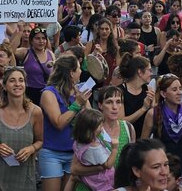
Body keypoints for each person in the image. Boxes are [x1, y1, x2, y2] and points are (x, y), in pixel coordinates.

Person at [0, 68, 43, 191]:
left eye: (21, 80)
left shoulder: (36, 112)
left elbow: (40, 141)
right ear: (4, 85)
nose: (17, 84)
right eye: (12, 81)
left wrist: (31, 149)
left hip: (24, 176)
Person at [39, 55, 92, 191]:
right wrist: (77, 104)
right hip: (52, 153)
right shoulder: (49, 93)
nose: (81, 72)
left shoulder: (79, 92)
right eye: (79, 68)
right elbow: (58, 123)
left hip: (75, 152)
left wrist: (85, 102)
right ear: (71, 72)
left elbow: (90, 120)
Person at [70, 86, 136, 191]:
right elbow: (74, 169)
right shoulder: (91, 128)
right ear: (100, 105)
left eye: (118, 102)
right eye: (109, 102)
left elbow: (132, 162)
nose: (115, 107)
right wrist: (103, 167)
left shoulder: (128, 128)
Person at [141, 74, 182, 163]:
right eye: (174, 90)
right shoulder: (153, 113)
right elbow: (142, 144)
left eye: (180, 88)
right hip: (161, 163)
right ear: (163, 93)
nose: (179, 92)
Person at [71, 109, 118, 191]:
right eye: (100, 126)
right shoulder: (94, 148)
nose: (102, 128)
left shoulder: (79, 142)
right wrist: (114, 149)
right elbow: (108, 165)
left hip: (90, 177)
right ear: (91, 130)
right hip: (103, 182)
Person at [14, 27, 55, 105]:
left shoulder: (51, 54)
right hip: (29, 93)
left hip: (46, 93)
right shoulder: (24, 52)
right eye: (37, 38)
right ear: (31, 41)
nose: (41, 41)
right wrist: (19, 31)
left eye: (43, 38)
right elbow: (9, 52)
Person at [118, 54, 154, 138]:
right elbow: (121, 122)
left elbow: (154, 118)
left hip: (143, 140)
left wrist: (153, 105)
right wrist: (143, 109)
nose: (151, 74)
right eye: (149, 70)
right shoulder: (120, 92)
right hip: (125, 139)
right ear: (140, 72)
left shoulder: (149, 90)